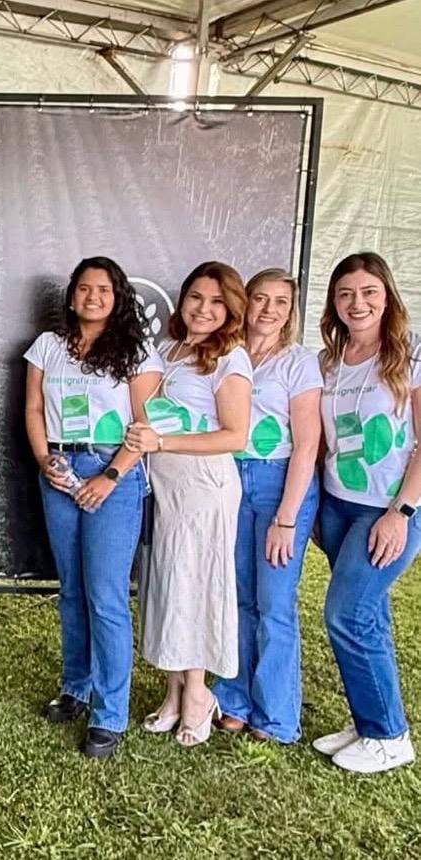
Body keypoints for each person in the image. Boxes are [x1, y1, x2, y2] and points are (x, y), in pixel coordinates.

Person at [24, 256, 162, 759]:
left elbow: (146, 426)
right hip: (60, 470)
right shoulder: (48, 346)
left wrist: (110, 476)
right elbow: (33, 409)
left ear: (118, 296)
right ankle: (76, 688)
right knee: (73, 591)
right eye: (84, 288)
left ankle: (110, 714)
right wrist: (45, 460)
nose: (93, 296)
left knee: (105, 597)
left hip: (113, 474)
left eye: (103, 289)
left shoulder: (137, 351)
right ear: (72, 295)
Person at [125, 261, 252, 747]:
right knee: (169, 584)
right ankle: (174, 692)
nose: (204, 308)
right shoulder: (168, 351)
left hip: (204, 486)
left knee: (195, 586)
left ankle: (199, 694)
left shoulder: (230, 358)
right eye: (196, 297)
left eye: (217, 301)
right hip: (168, 487)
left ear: (232, 310)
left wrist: (163, 443)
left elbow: (235, 436)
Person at [312, 252, 421, 774]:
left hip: (389, 509)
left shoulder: (410, 353)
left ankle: (389, 736)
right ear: (334, 302)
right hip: (339, 504)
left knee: (347, 614)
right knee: (369, 616)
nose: (357, 303)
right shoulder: (328, 361)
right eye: (346, 294)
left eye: (369, 292)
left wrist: (402, 511)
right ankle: (370, 722)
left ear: (387, 296)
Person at [213, 269, 321, 743]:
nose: (269, 309)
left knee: (274, 602)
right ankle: (234, 699)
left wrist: (287, 519)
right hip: (230, 479)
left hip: (280, 483)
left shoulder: (299, 363)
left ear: (291, 311)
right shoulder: (227, 354)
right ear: (246, 302)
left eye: (281, 302)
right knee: (237, 597)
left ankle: (276, 716)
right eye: (261, 298)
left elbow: (307, 444)